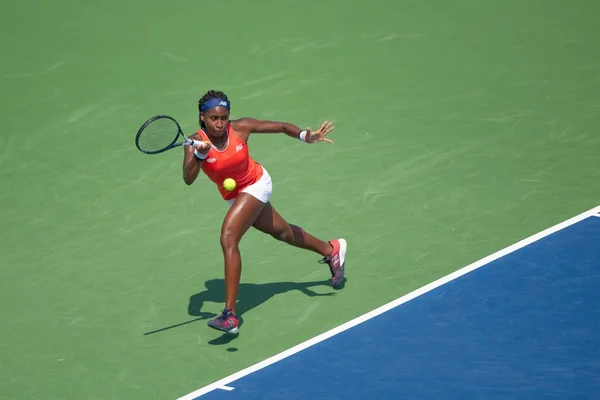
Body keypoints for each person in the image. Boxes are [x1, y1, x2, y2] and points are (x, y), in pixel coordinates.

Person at [182, 90, 347, 335]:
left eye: (224, 117)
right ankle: (331, 249)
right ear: (202, 117)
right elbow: (188, 178)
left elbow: (280, 127)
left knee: (229, 238)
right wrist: (200, 154)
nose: (219, 123)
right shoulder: (194, 142)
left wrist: (305, 136)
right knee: (282, 233)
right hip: (235, 196)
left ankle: (230, 315)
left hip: (256, 184)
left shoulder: (240, 128)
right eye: (213, 118)